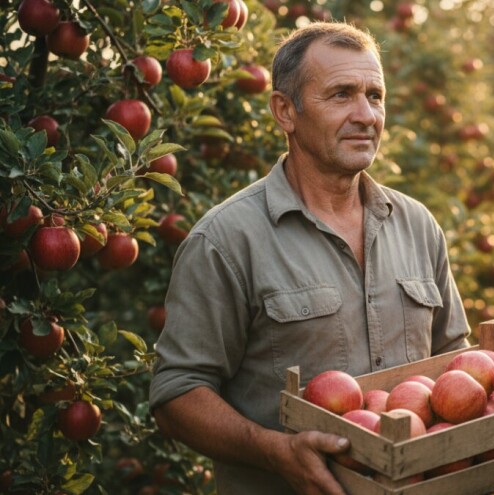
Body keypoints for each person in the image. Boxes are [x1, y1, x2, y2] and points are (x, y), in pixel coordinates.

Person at [149, 21, 470, 494]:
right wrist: (272, 451)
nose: (366, 115)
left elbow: (454, 359)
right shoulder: (226, 239)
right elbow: (176, 395)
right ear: (285, 111)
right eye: (341, 94)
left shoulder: (418, 226)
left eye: (375, 96)